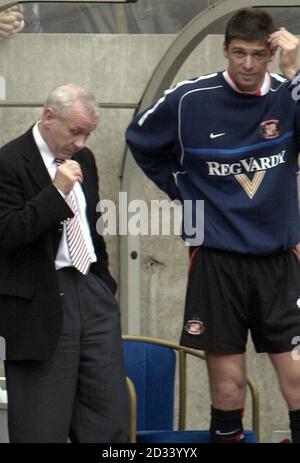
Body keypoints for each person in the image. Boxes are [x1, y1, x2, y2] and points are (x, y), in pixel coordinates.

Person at [126, 8, 300, 443]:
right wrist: (183, 191)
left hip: (280, 263)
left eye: (257, 55)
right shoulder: (189, 99)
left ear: (270, 53)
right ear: (225, 50)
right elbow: (140, 138)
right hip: (217, 261)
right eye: (238, 53)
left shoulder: (288, 94)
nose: (247, 64)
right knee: (227, 386)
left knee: (296, 381)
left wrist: (294, 72)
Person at [0, 83, 128, 442]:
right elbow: (8, 232)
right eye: (76, 132)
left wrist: (104, 283)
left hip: (91, 289)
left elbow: (92, 227)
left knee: (108, 414)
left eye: (89, 134)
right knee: (42, 423)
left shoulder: (81, 159)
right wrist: (55, 191)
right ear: (48, 118)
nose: (82, 143)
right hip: (40, 299)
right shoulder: (8, 161)